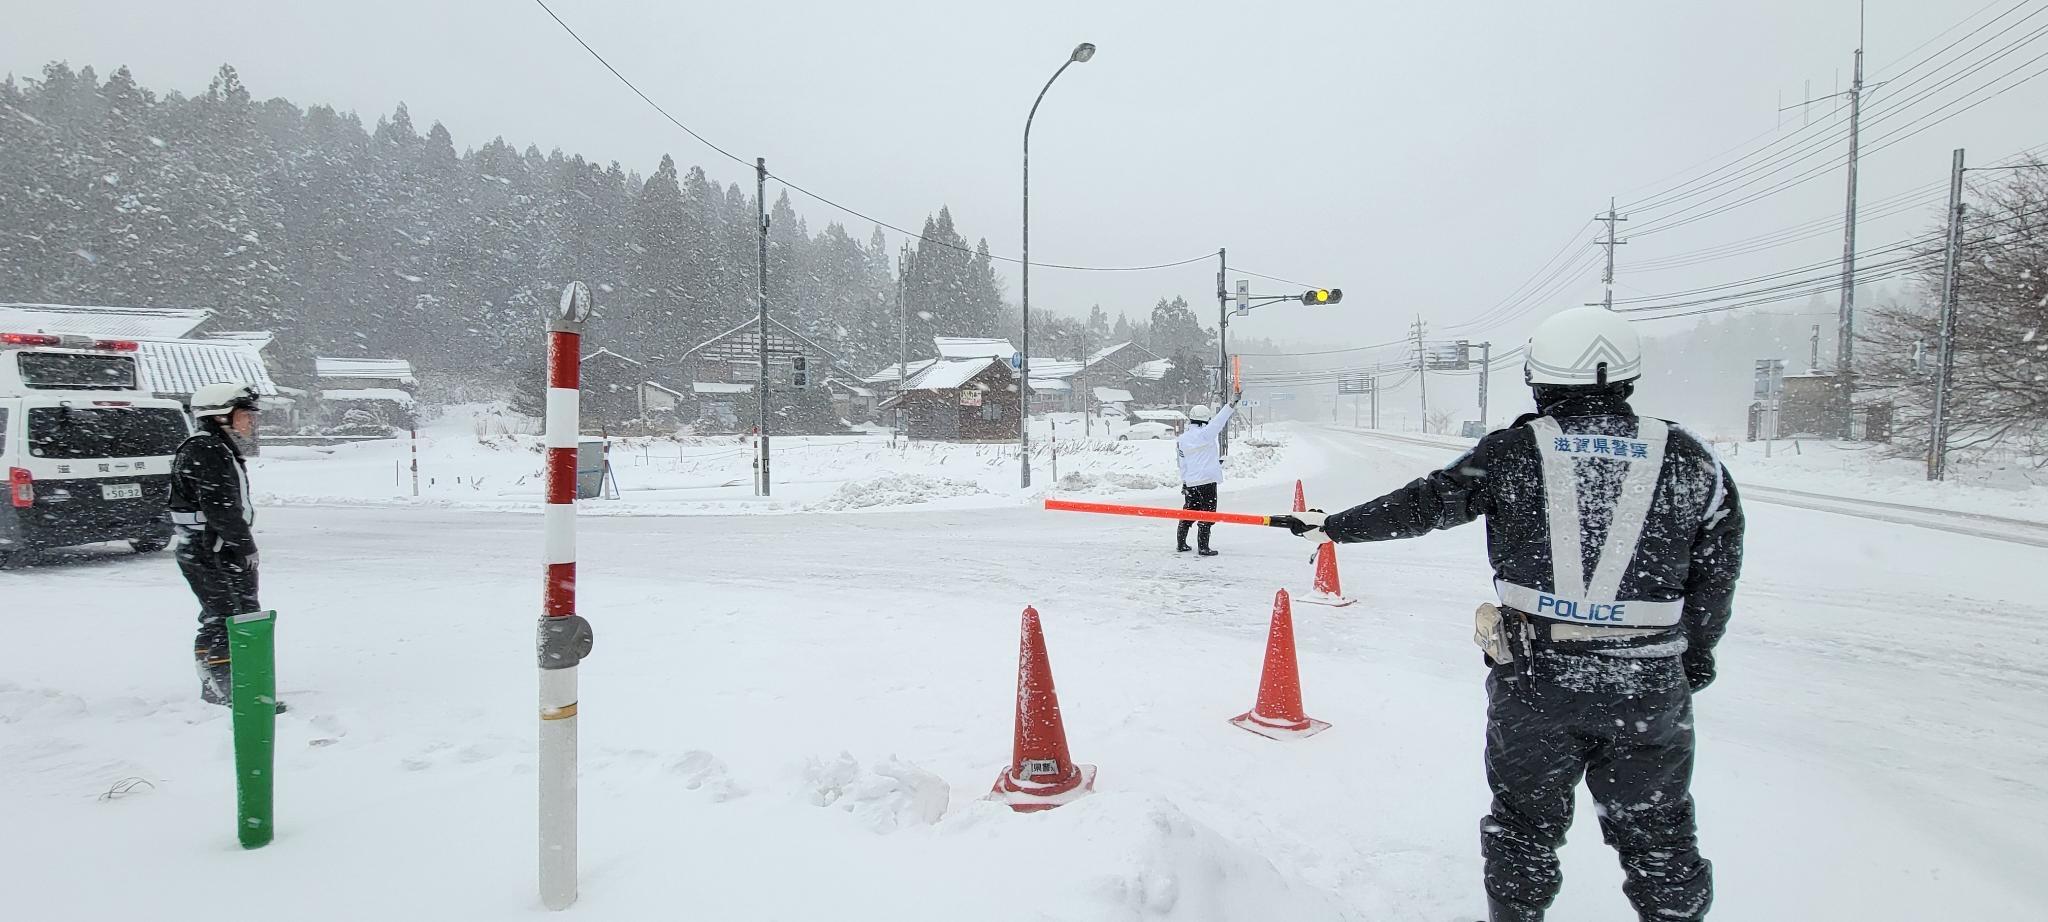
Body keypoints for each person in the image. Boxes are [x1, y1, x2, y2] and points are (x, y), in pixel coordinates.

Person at [1273, 307, 1743, 922]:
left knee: (1524, 829)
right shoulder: (1691, 459)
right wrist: (1696, 652)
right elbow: (1717, 570)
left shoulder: (1516, 451)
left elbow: (1427, 504)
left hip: (1537, 676)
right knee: (1660, 839)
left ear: (1539, 377)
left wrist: (1333, 527)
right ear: (1628, 377)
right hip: (1648, 680)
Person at [169, 382, 262, 706]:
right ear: (221, 415)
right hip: (213, 549)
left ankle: (215, 687)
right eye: (245, 413)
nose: (251, 420)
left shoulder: (212, 446)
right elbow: (220, 507)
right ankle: (234, 694)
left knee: (218, 616)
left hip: (209, 547)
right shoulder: (206, 449)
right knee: (231, 618)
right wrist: (245, 546)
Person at [1174, 393, 1240, 556]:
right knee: (1207, 513)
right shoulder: (1206, 434)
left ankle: (1181, 543)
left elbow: (1181, 463)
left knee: (1189, 512)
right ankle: (1203, 547)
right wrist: (1232, 403)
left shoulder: (1182, 440)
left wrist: (1185, 482)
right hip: (1207, 482)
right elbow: (1219, 421)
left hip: (1191, 482)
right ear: (1206, 419)